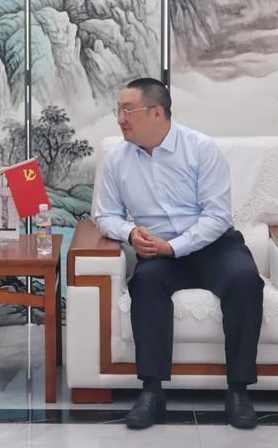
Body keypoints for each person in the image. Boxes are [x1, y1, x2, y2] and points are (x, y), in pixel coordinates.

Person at [94, 78, 263, 430]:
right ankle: (151, 392)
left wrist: (175, 246)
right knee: (146, 283)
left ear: (157, 113)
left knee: (246, 279)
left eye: (128, 110)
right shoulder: (117, 159)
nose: (121, 119)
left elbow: (217, 216)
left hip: (213, 245)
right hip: (157, 250)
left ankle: (238, 390)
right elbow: (104, 215)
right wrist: (130, 233)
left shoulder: (200, 149)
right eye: (118, 111)